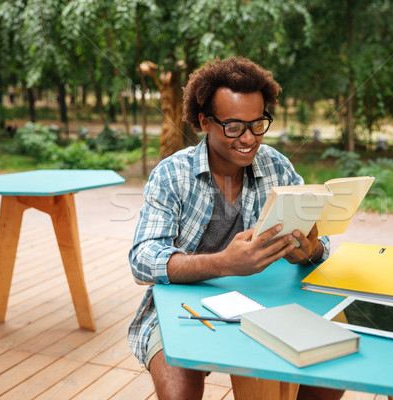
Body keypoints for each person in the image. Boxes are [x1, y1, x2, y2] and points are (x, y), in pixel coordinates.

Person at [128, 57, 343, 400]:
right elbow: (142, 259)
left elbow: (321, 242)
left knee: (331, 368)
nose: (248, 138)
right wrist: (224, 264)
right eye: (233, 127)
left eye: (258, 124)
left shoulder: (277, 166)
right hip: (182, 309)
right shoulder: (172, 175)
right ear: (204, 122)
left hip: (268, 303)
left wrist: (309, 250)